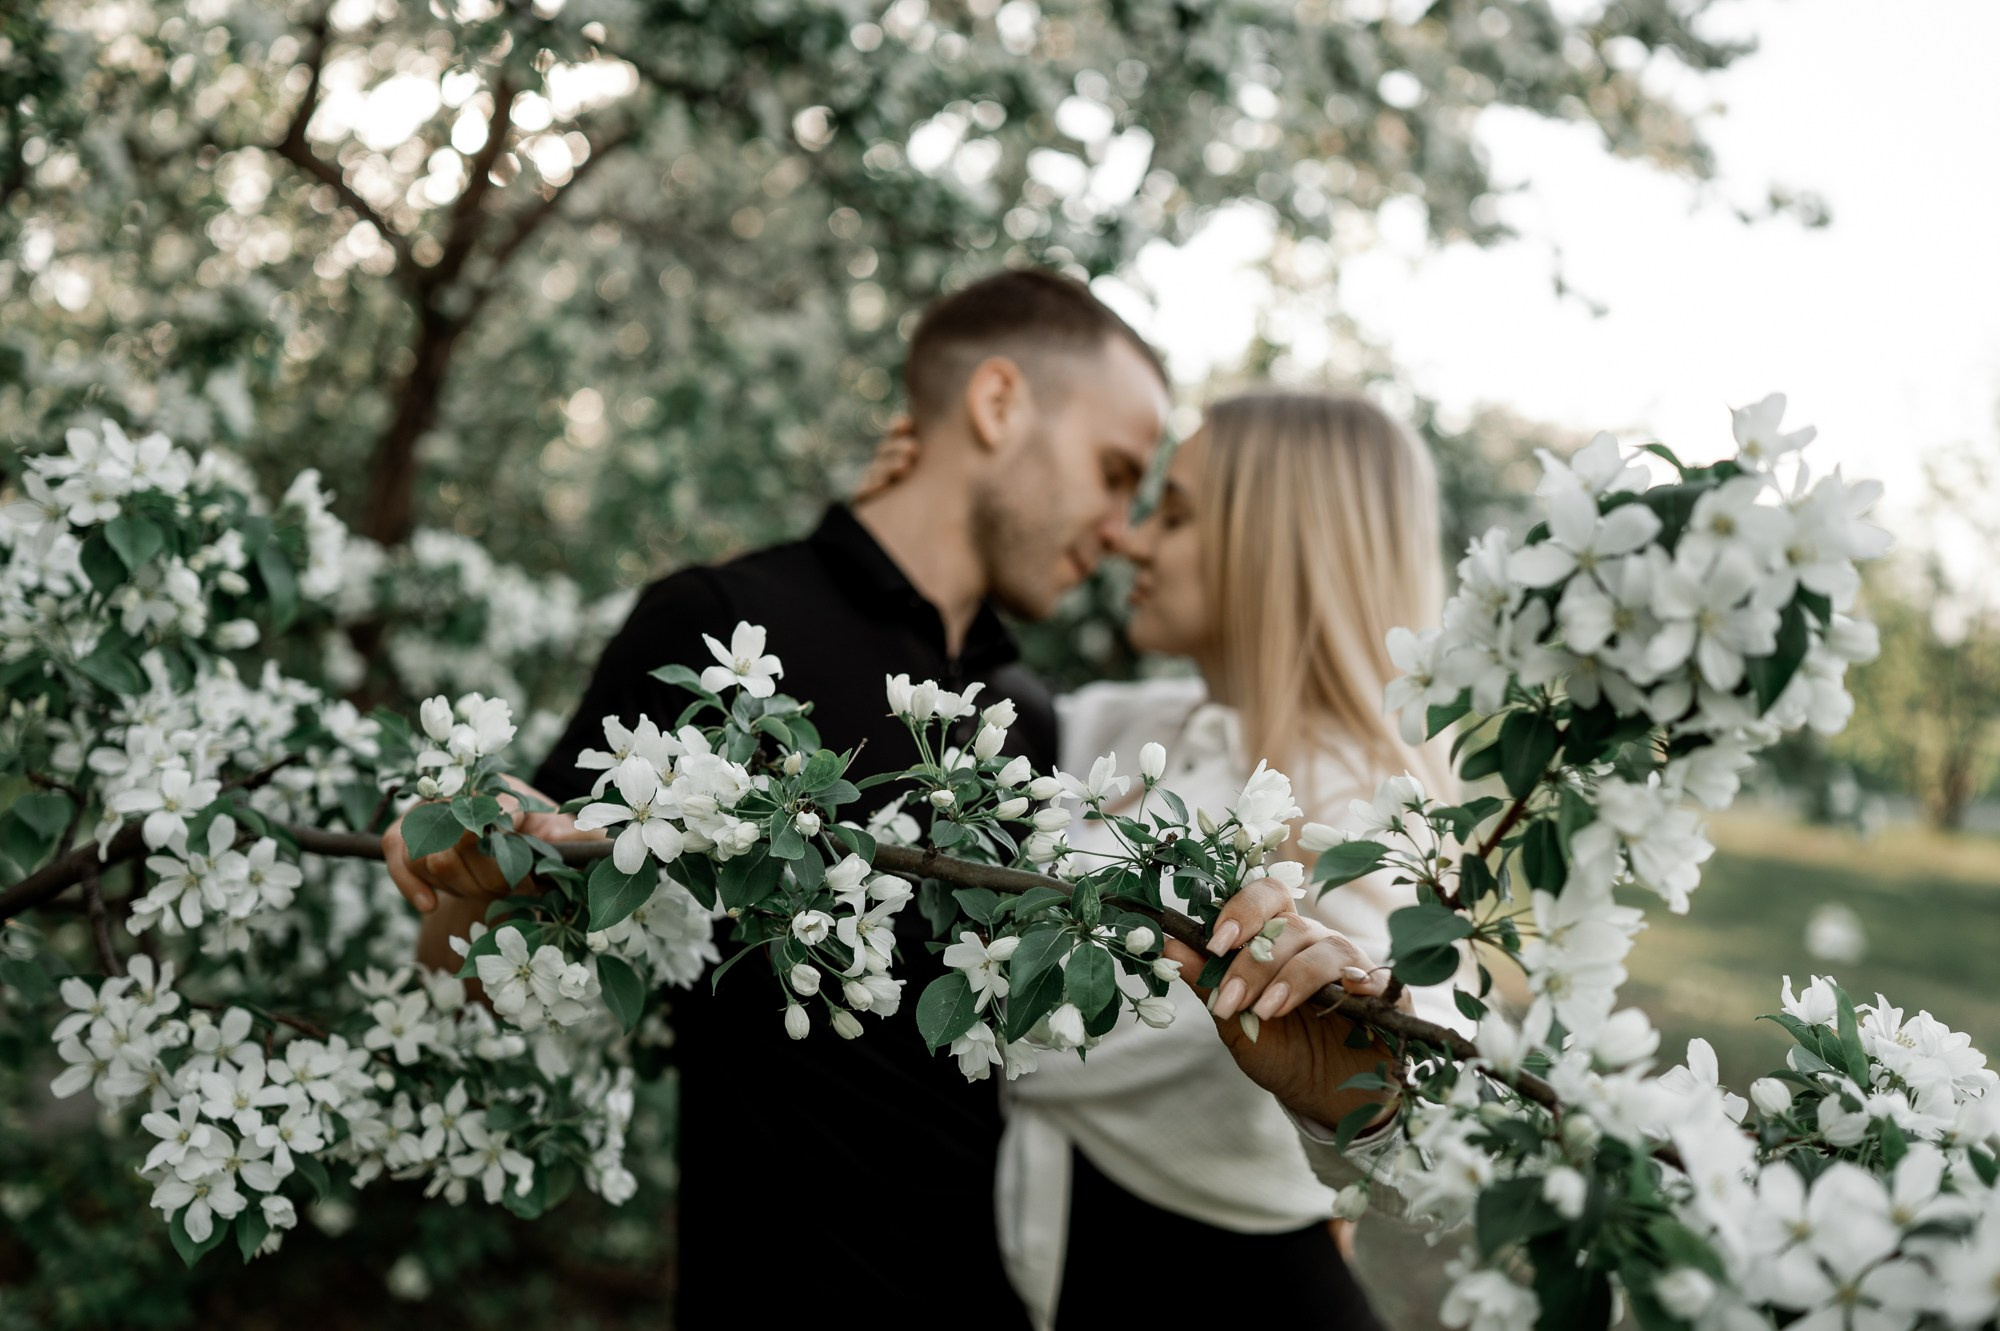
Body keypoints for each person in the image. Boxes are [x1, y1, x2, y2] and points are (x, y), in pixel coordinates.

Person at [382, 267, 1172, 1328]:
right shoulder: (717, 631)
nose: (1123, 528)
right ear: (996, 404)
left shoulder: (1027, 721)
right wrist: (470, 872)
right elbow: (481, 975)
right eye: (1114, 471)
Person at [995, 390, 1462, 1327]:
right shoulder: (1140, 721)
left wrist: (1360, 1104)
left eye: (1174, 515)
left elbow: (1426, 1115)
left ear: (1273, 546)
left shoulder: (1357, 811)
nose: (1130, 540)